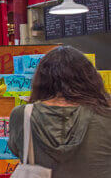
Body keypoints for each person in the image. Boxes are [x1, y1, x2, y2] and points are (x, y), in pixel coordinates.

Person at [7, 46, 111, 176]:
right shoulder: (105, 114)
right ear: (90, 79)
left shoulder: (22, 115)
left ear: (41, 81)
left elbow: (17, 149)